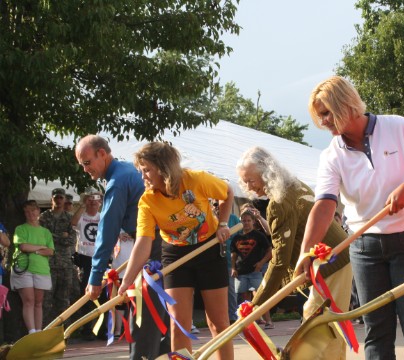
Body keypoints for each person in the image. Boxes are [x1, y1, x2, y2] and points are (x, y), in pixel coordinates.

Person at [300, 77, 404, 360]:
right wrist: (306, 252)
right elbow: (325, 205)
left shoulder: (400, 127)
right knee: (376, 330)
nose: (324, 121)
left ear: (347, 103)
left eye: (327, 112)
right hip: (365, 247)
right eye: (320, 116)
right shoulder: (330, 156)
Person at [117, 142, 234, 359]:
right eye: (141, 170)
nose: (143, 176)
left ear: (163, 168)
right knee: (179, 325)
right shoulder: (147, 201)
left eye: (146, 170)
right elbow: (143, 242)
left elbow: (227, 192)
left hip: (208, 249)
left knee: (218, 322)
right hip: (175, 255)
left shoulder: (196, 179)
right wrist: (127, 281)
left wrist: (223, 223)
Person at [237, 146, 352, 359]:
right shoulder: (293, 185)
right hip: (333, 259)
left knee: (318, 325)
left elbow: (279, 260)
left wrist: (256, 305)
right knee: (326, 324)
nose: (248, 187)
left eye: (251, 180)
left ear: (266, 173)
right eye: (244, 181)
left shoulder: (279, 202)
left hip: (329, 263)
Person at [75, 134, 170, 359]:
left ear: (102, 153)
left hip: (153, 246)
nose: (85, 169)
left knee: (144, 310)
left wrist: (95, 277)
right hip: (156, 242)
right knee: (158, 310)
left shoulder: (117, 182)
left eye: (87, 162)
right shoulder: (127, 171)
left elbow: (106, 232)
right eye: (82, 165)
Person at [10, 200, 55, 334]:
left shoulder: (46, 232)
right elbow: (23, 246)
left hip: (41, 269)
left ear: (38, 211)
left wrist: (33, 249)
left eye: (33, 210)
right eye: (27, 211)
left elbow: (51, 251)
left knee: (38, 301)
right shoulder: (21, 228)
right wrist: (41, 248)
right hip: (24, 268)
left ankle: (39, 331)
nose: (30, 214)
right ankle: (31, 331)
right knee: (29, 300)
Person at [39, 188, 76, 326]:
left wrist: (52, 238)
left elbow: (72, 240)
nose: (59, 201)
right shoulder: (43, 217)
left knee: (64, 300)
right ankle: (45, 331)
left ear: (65, 200)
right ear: (51, 200)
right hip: (47, 264)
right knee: (46, 301)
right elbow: (42, 238)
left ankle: (63, 332)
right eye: (56, 198)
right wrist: (61, 236)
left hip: (65, 264)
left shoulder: (69, 218)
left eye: (61, 198)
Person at [229, 210, 273, 328]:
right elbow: (233, 255)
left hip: (255, 272)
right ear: (240, 222)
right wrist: (233, 268)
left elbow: (270, 251)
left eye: (249, 221)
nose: (246, 223)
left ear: (253, 222)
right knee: (244, 299)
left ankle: (268, 321)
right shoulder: (236, 238)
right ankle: (249, 321)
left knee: (259, 296)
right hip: (241, 272)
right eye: (244, 221)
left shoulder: (259, 236)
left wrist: (261, 263)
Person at [70, 187, 103, 340]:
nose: (92, 203)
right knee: (86, 293)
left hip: (101, 258)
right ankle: (86, 329)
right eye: (90, 201)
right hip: (84, 258)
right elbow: (73, 222)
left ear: (99, 203)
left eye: (95, 200)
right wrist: (83, 204)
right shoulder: (82, 217)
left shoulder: (102, 216)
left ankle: (103, 330)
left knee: (104, 294)